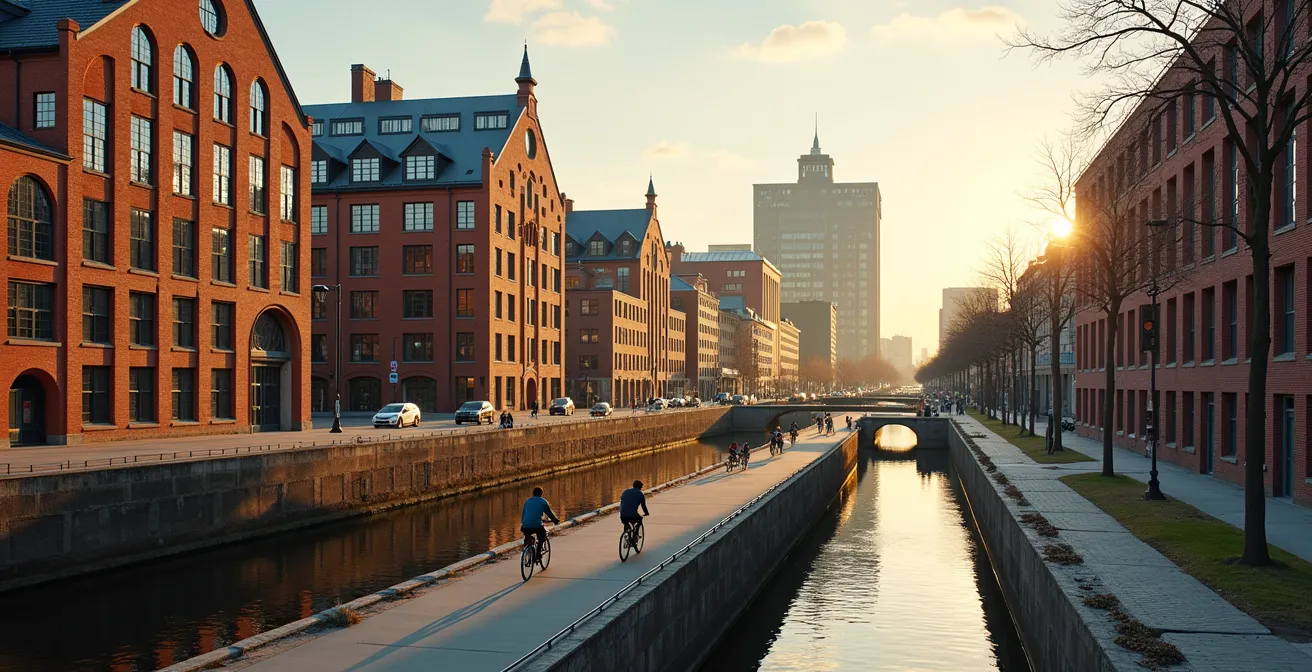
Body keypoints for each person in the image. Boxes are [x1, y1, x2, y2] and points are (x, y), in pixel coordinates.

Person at [520, 486, 560, 555]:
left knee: (528, 535)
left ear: (533, 493)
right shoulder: (543, 501)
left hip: (524, 526)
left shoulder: (527, 501)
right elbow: (549, 513)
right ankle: (538, 553)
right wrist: (555, 520)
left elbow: (524, 514)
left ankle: (527, 544)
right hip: (537, 525)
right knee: (542, 536)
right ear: (541, 494)